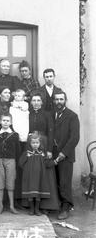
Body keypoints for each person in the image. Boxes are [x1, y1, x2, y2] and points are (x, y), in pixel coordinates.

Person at [28, 92, 60, 212]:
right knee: (33, 172)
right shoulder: (29, 114)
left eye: (38, 100)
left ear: (42, 102)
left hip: (44, 143)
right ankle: (31, 204)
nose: (36, 103)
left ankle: (47, 205)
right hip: (31, 142)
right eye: (34, 100)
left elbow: (51, 132)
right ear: (31, 102)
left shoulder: (47, 115)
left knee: (46, 172)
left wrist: (50, 150)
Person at [53, 91, 80, 220]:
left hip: (66, 155)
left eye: (61, 99)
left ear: (65, 100)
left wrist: (64, 152)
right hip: (52, 154)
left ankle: (66, 206)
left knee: (64, 182)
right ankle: (56, 205)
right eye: (56, 99)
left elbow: (74, 138)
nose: (59, 102)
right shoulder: (52, 114)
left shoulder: (72, 116)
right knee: (54, 180)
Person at [0, 113, 21, 215]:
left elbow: (18, 150)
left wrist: (16, 162)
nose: (5, 122)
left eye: (8, 121)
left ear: (11, 122)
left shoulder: (14, 135)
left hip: (11, 161)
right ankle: (0, 206)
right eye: (4, 120)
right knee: (0, 183)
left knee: (10, 182)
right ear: (0, 122)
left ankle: (11, 206)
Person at [19, 133, 50, 216]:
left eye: (37, 143)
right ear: (30, 143)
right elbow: (20, 163)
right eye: (33, 143)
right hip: (30, 176)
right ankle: (31, 209)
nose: (35, 145)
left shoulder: (42, 154)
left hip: (39, 176)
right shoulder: (27, 153)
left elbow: (47, 163)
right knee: (30, 192)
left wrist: (55, 161)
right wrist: (27, 169)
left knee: (38, 193)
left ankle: (37, 209)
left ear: (40, 143)